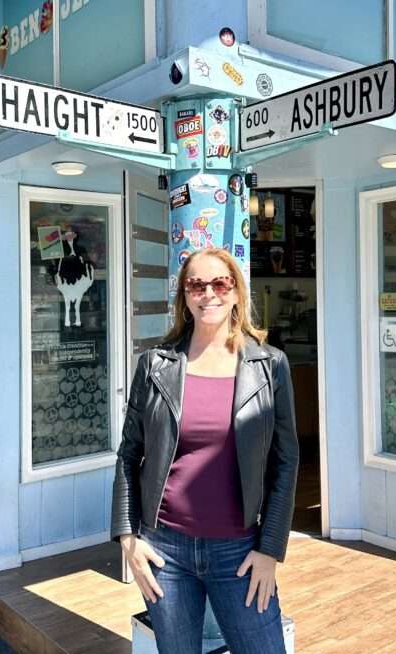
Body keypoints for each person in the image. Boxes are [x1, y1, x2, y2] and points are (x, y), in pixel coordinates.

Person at [111, 247, 299, 653]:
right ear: (184, 295)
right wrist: (128, 538)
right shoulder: (155, 364)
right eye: (196, 284)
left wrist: (270, 549)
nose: (208, 293)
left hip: (240, 550)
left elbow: (286, 461)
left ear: (235, 292)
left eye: (220, 282)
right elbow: (129, 455)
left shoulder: (270, 365)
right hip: (165, 551)